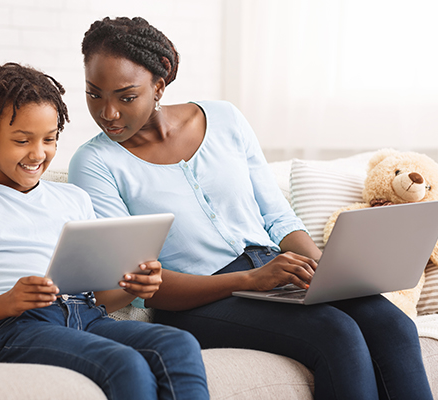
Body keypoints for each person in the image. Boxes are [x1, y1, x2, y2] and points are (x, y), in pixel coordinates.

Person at [68, 16, 433, 400]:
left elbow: (277, 217)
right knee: (336, 334)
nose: (108, 112)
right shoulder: (94, 163)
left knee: (391, 323)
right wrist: (248, 280)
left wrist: (325, 271)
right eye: (94, 94)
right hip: (199, 301)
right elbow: (142, 283)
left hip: (273, 272)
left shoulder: (224, 118)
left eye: (126, 97)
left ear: (158, 86)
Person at [0, 62, 209, 400]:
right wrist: (7, 302)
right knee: (124, 364)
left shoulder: (73, 198)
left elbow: (98, 297)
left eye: (49, 139)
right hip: (20, 328)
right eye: (22, 140)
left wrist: (132, 287)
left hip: (87, 316)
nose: (38, 153)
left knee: (178, 343)